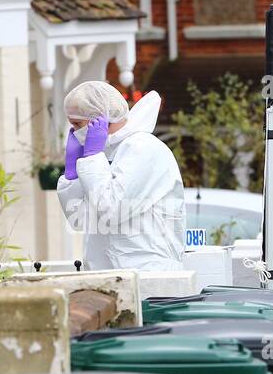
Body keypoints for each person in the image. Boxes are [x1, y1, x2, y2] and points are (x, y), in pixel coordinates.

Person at [56, 80, 185, 272]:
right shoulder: (105, 154)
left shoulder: (142, 148)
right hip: (110, 274)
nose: (74, 132)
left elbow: (111, 210)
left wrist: (92, 159)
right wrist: (72, 177)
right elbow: (80, 220)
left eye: (77, 124)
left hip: (149, 274)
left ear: (99, 120)